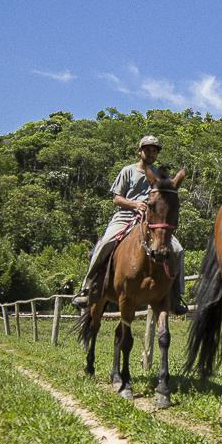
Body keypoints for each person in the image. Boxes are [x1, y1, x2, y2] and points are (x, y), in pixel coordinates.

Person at [71, 135, 186, 315]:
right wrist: (135, 204)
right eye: (147, 149)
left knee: (178, 250)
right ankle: (87, 289)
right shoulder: (128, 171)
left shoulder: (159, 176)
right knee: (104, 244)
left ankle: (176, 295)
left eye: (154, 150)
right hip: (125, 216)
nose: (150, 153)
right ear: (139, 152)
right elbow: (116, 199)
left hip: (151, 220)